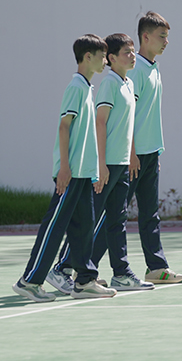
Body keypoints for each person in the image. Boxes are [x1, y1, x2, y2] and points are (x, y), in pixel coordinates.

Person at [12, 34, 117, 302]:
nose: (105, 61)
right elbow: (64, 126)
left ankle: (85, 282)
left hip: (83, 174)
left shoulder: (87, 88)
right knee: (55, 227)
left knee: (84, 228)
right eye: (102, 56)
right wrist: (65, 168)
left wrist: (92, 170)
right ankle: (30, 281)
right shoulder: (76, 87)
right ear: (88, 57)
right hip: (70, 174)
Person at [46, 33, 155, 293]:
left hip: (122, 164)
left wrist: (131, 154)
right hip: (107, 165)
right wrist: (101, 164)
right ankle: (62, 268)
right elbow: (100, 123)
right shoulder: (108, 84)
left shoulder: (129, 84)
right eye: (126, 52)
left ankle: (122, 274)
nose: (132, 56)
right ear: (112, 58)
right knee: (89, 221)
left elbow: (127, 124)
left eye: (133, 51)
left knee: (117, 220)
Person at [128, 11, 182, 284]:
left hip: (151, 154)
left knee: (150, 215)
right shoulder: (136, 70)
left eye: (167, 37)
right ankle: (77, 269)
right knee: (112, 215)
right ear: (145, 37)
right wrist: (131, 153)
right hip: (133, 156)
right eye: (162, 36)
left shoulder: (154, 68)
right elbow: (128, 115)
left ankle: (156, 268)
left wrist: (155, 152)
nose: (166, 42)